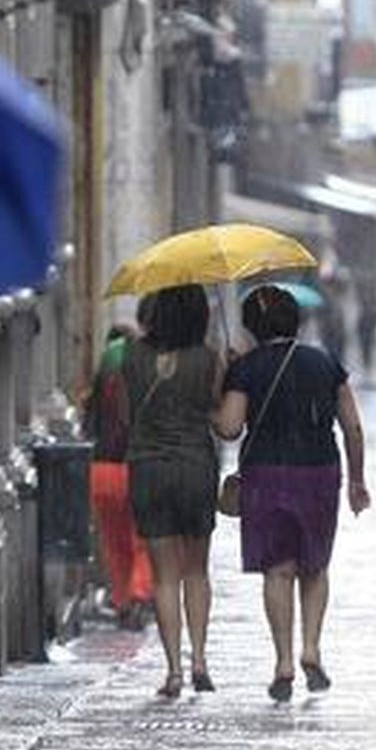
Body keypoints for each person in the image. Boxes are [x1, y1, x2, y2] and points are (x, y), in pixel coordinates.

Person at [216, 286, 370, 703]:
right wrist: (357, 480)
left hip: (265, 474)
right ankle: (312, 649)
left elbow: (229, 428)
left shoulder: (245, 368)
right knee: (314, 567)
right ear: (296, 321)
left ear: (250, 326)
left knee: (277, 570)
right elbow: (352, 427)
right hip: (319, 473)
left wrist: (228, 379)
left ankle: (283, 660)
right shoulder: (325, 362)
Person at [122, 284, 223, 698]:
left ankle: (174, 671)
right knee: (196, 570)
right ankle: (200, 659)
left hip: (148, 468)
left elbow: (128, 418)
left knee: (164, 576)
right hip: (195, 466)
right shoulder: (208, 358)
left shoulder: (133, 357)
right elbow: (218, 416)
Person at [84, 313, 154, 631]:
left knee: (114, 544)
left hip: (102, 471)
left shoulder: (98, 389)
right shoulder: (146, 385)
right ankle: (140, 592)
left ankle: (123, 601)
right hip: (138, 468)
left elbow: (89, 427)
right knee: (142, 539)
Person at [355, 280, 376, 381]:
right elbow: (359, 323)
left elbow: (374, 321)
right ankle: (366, 367)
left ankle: (367, 367)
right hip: (365, 334)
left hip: (369, 334)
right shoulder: (366, 311)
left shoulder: (372, 310)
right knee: (365, 351)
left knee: (368, 351)